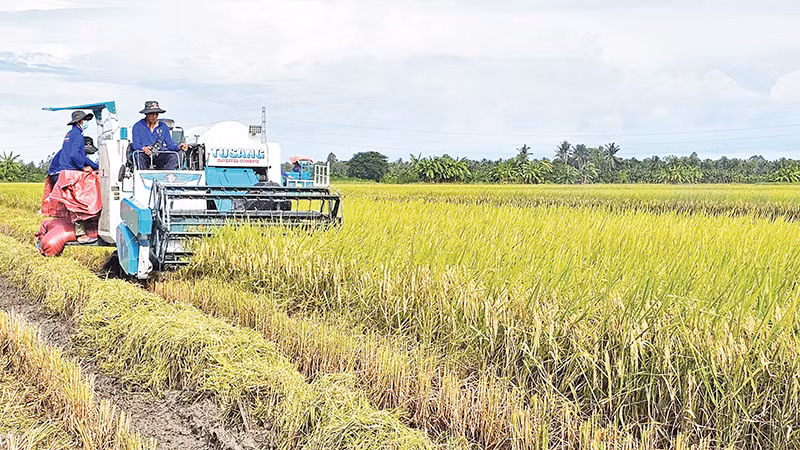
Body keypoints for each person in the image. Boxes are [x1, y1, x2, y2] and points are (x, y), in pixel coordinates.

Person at [131, 101, 187, 170]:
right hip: (144, 155)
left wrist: (179, 146)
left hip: (159, 154)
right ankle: (142, 178)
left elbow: (170, 145)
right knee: (139, 156)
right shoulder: (137, 126)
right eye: (151, 114)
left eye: (156, 114)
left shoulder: (163, 127)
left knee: (173, 156)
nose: (154, 116)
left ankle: (165, 176)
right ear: (146, 114)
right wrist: (144, 149)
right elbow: (136, 145)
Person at [49, 110, 97, 184]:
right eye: (85, 120)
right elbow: (74, 154)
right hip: (67, 174)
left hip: (59, 174)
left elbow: (82, 157)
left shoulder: (70, 134)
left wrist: (95, 166)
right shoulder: (78, 135)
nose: (86, 122)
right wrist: (83, 168)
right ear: (80, 121)